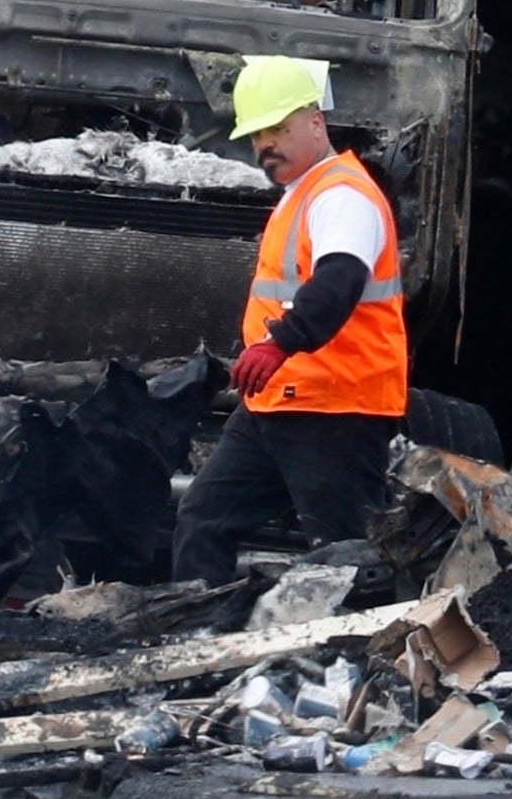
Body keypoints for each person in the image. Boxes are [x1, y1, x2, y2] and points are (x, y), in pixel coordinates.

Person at [171, 56, 410, 585]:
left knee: (350, 559)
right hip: (278, 402)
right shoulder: (303, 195)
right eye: (257, 135)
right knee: (203, 518)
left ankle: (363, 659)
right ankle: (200, 646)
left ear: (315, 121)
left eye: (278, 128)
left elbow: (339, 280)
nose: (265, 146)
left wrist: (278, 344)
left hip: (335, 406)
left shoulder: (342, 196)